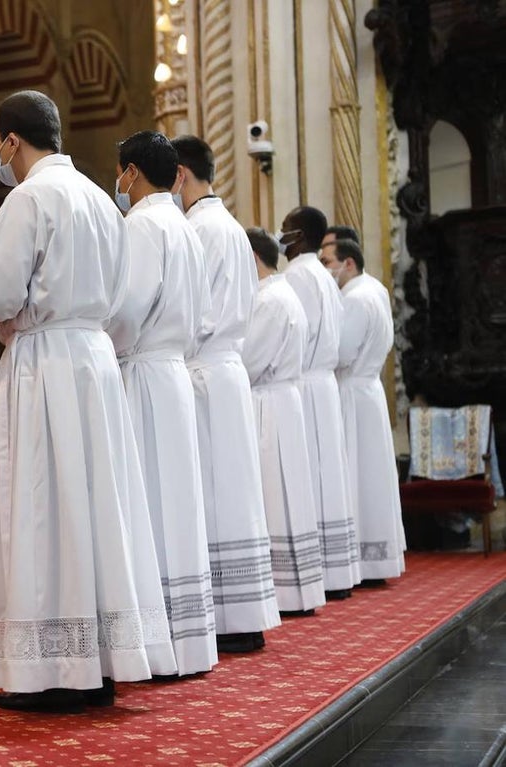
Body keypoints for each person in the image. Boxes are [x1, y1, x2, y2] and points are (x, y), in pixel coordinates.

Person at [0, 90, 174, 714]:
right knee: (96, 506)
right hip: (95, 363)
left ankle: (52, 669)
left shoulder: (29, 198)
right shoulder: (103, 205)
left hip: (45, 366)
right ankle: (101, 661)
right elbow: (117, 295)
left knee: (42, 508)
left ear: (9, 141)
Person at [109, 130, 217, 676]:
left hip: (144, 374)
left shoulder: (142, 225)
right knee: (176, 503)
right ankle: (189, 639)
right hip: (174, 371)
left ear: (130, 173)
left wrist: (107, 344)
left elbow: (126, 311)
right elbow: (199, 317)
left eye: (120, 173)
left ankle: (155, 641)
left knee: (146, 502)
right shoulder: (183, 225)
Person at [170, 135, 280, 654]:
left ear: (179, 177)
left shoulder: (195, 229)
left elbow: (192, 312)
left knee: (210, 493)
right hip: (229, 371)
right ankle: (245, 612)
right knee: (234, 493)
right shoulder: (233, 227)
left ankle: (221, 614)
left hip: (204, 371)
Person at [279, 206, 361, 599]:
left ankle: (316, 574)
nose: (281, 237)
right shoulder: (327, 277)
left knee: (309, 477)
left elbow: (292, 332)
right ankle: (337, 571)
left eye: (285, 230)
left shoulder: (295, 276)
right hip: (325, 383)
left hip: (306, 384)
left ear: (297, 236)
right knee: (329, 476)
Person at [243, 228, 327, 616]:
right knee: (289, 493)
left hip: (269, 403)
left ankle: (283, 591)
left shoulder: (267, 300)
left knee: (275, 495)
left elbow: (251, 360)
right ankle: (300, 589)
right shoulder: (285, 293)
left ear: (253, 259)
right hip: (285, 400)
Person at [322, 238, 406, 584]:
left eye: (329, 262)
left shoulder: (354, 297)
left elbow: (341, 351)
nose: (327, 270)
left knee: (357, 474)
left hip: (352, 390)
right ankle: (377, 558)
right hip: (368, 388)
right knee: (372, 475)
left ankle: (361, 560)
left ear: (349, 264)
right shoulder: (376, 289)